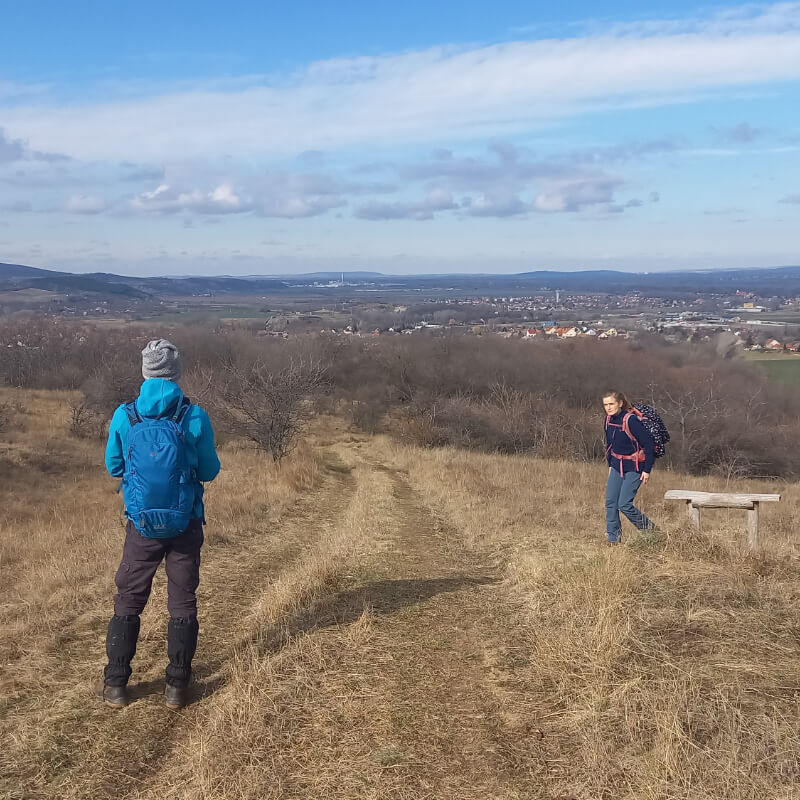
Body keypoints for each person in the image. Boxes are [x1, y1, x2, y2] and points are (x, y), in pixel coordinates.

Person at [96, 339, 220, 709]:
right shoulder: (193, 415)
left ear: (145, 372)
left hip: (141, 526)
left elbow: (114, 467)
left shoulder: (126, 414)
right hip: (185, 522)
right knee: (182, 602)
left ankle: (116, 684)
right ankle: (177, 687)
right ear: (177, 374)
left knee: (129, 599)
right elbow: (210, 470)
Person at [603, 390, 655, 545]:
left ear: (620, 403)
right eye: (605, 405)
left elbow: (649, 445)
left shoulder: (631, 420)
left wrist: (647, 470)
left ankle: (650, 530)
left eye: (611, 404)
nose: (608, 408)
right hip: (616, 466)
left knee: (624, 504)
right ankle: (613, 539)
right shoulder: (608, 420)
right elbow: (610, 445)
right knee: (611, 502)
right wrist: (610, 465)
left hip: (635, 466)